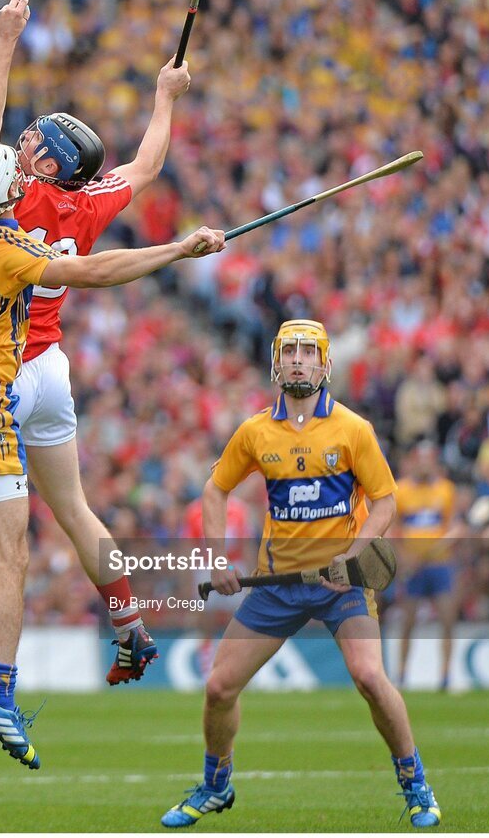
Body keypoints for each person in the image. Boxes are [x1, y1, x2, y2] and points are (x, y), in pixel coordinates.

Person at [0, 0, 225, 770]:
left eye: (32, 138)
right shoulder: (85, 200)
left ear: (40, 165)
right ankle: (128, 620)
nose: (19, 137)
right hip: (47, 370)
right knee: (71, 509)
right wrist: (163, 98)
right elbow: (144, 166)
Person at [161, 319, 441, 829]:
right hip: (277, 586)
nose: (297, 360)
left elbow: (385, 501)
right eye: (289, 351)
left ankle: (416, 785)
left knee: (370, 678)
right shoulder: (254, 432)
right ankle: (216, 785)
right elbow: (214, 491)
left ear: (324, 363)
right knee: (220, 687)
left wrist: (353, 556)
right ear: (276, 362)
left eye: (308, 352)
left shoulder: (354, 429)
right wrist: (218, 559)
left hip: (341, 585)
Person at [394, 440, 458, 690]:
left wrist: (443, 545)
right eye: (419, 459)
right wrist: (404, 557)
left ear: (434, 462)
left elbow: (452, 527)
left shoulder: (446, 490)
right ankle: (401, 675)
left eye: (428, 459)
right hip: (412, 567)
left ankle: (445, 676)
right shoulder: (401, 490)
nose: (424, 464)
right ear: (412, 461)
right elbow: (394, 529)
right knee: (407, 622)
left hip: (439, 565)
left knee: (447, 619)